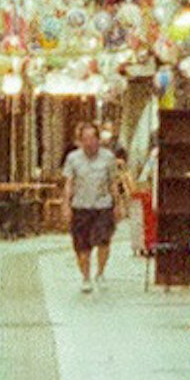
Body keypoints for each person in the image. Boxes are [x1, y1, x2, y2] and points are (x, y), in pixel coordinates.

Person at [64, 122, 122, 286]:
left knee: (104, 240)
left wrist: (118, 204)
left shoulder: (108, 157)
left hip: (103, 206)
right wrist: (66, 205)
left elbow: (113, 182)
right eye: (85, 139)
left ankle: (100, 273)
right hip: (81, 206)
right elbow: (69, 182)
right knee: (82, 247)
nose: (89, 142)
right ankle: (86, 277)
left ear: (98, 139)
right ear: (80, 141)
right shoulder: (73, 158)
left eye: (92, 138)